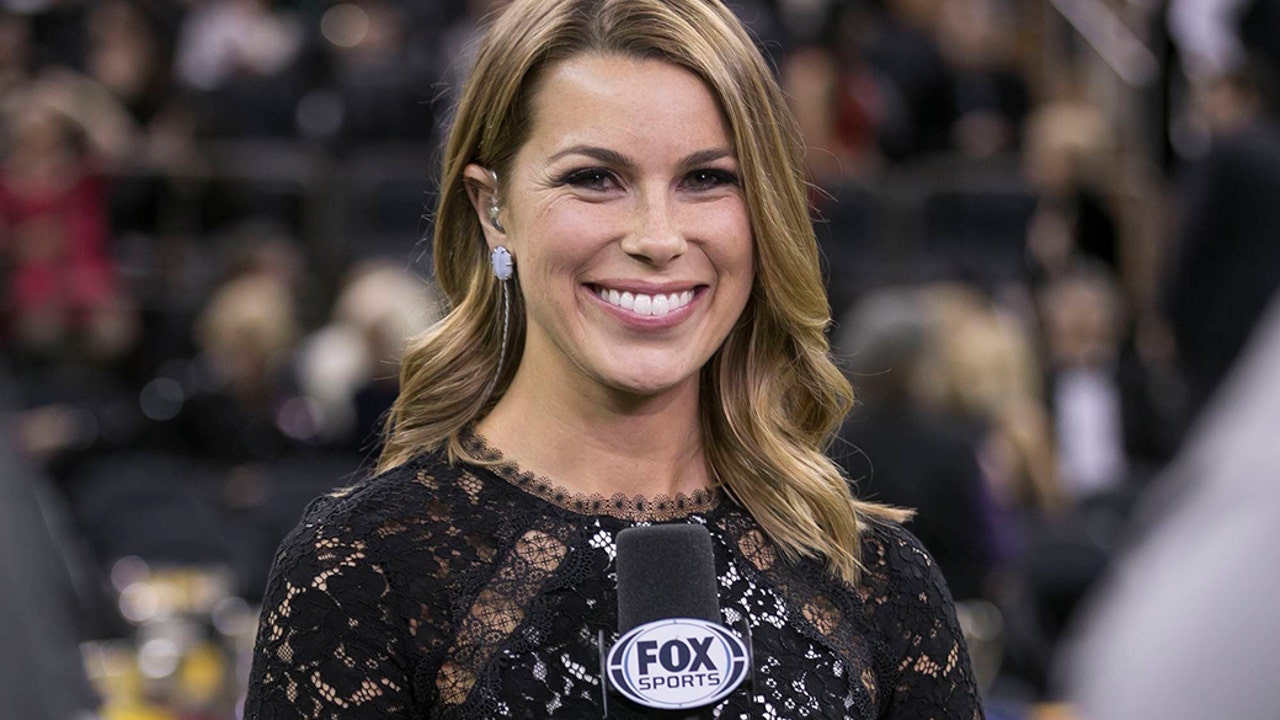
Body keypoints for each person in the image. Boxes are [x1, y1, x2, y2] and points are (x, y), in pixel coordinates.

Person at [244, 1, 983, 718]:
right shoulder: (363, 569)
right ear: (492, 209)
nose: (657, 238)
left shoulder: (880, 579)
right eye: (594, 178)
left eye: (707, 179)